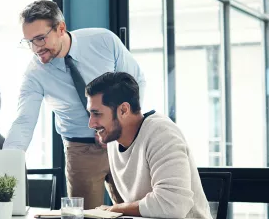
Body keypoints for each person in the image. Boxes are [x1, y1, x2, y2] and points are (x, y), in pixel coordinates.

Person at [3, 0, 146, 209]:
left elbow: (136, 82)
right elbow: (24, 120)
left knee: (134, 209)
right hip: (80, 149)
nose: (36, 48)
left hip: (122, 141)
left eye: (41, 39)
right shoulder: (34, 73)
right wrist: (9, 161)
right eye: (29, 42)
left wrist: (122, 128)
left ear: (61, 28)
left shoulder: (103, 41)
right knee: (85, 214)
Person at [85, 72, 212, 219]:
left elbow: (173, 205)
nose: (91, 123)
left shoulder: (161, 134)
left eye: (97, 114)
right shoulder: (114, 139)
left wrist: (117, 208)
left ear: (123, 110)